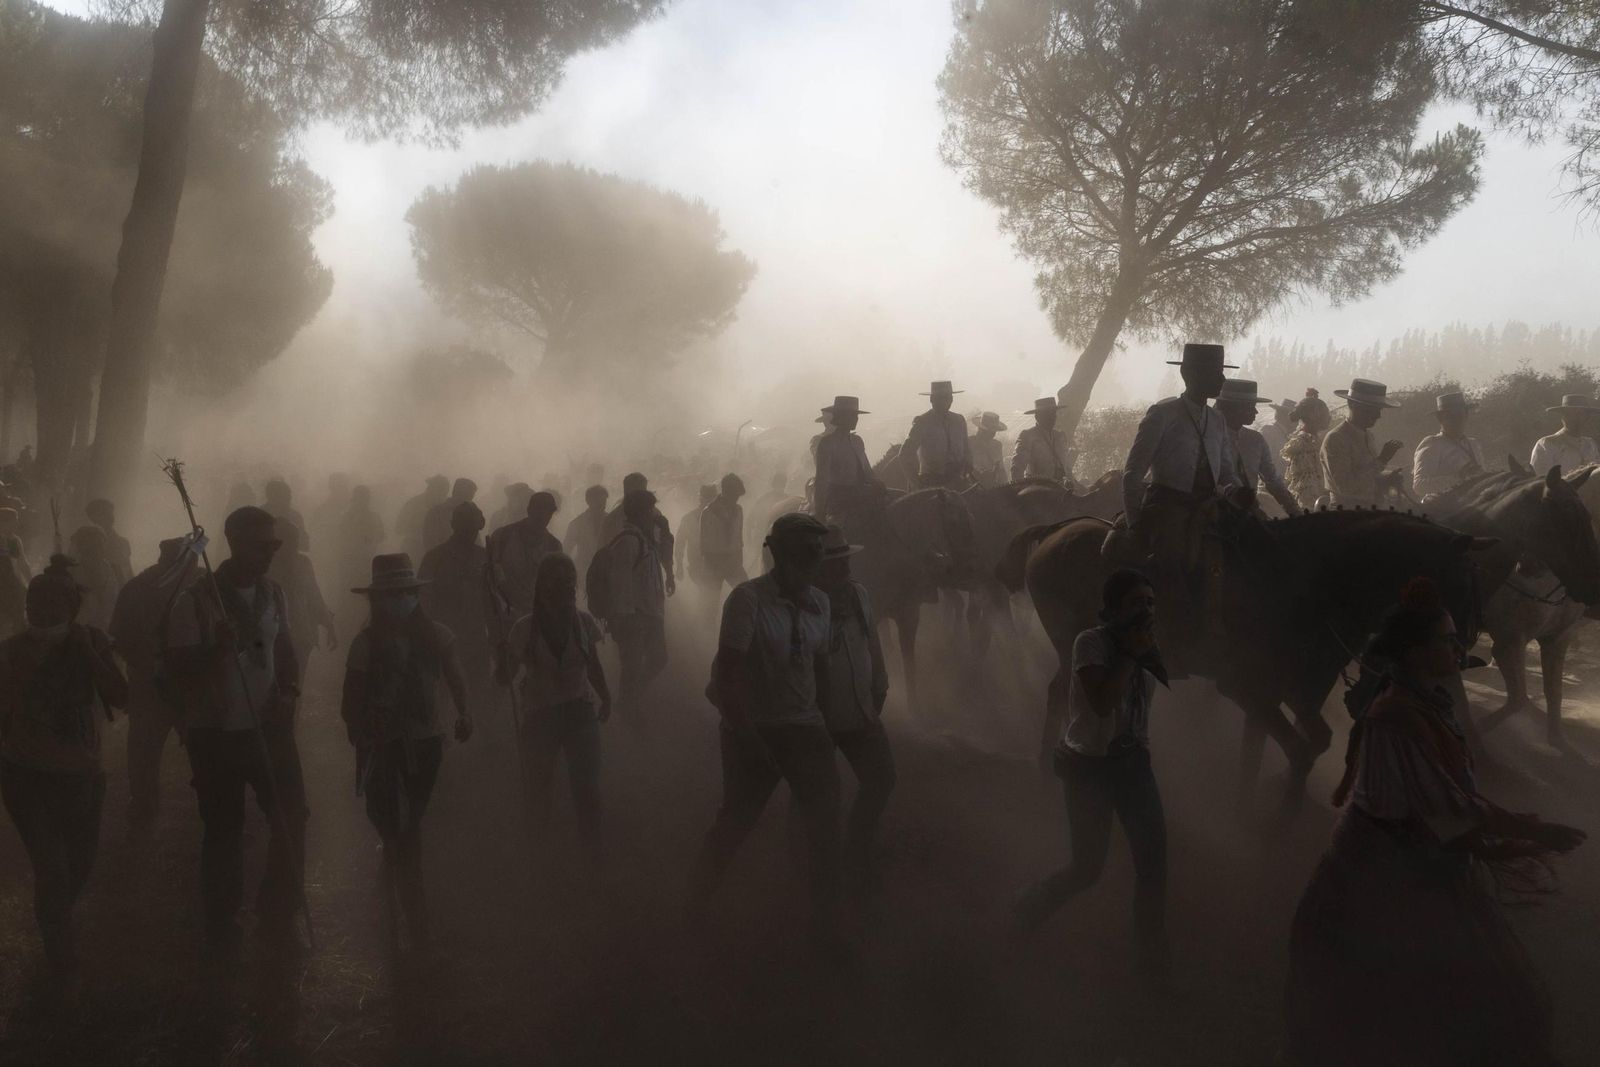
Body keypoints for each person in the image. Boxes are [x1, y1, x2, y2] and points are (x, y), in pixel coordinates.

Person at [1286, 578, 1585, 1066]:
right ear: (1416, 652)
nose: (1457, 645)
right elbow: (1452, 806)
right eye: (1446, 639)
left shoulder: (1418, 705)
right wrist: (1533, 829)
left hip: (1415, 863)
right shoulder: (1396, 718)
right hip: (1384, 876)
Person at [689, 514, 842, 949]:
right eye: (805, 557)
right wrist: (749, 739)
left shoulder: (820, 603)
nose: (814, 567)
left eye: (817, 557)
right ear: (782, 558)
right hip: (754, 729)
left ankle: (826, 925)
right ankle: (694, 907)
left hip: (806, 728)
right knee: (736, 822)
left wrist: (826, 728)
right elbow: (728, 676)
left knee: (826, 830)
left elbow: (820, 669)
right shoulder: (746, 601)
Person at [1012, 569, 1170, 983]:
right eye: (1137, 602)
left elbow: (1139, 707)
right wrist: (1133, 655)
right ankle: (1023, 915)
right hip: (1090, 769)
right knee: (1086, 869)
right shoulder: (1091, 643)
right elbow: (1101, 703)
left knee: (1153, 865)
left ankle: (1152, 964)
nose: (1147, 610)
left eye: (1151, 602)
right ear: (1114, 608)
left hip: (1133, 765)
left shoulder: (1145, 644)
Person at [165, 506, 306, 950]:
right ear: (235, 543)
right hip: (216, 733)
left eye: (274, 545)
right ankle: (222, 921)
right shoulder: (196, 601)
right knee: (225, 828)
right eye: (263, 546)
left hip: (269, 726)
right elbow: (177, 669)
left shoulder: (274, 593)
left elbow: (284, 650)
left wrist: (289, 691)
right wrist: (215, 650)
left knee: (291, 817)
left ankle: (278, 907)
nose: (270, 554)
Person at [0, 557, 128, 982]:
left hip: (82, 775)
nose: (41, 609)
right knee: (52, 867)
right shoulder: (10, 652)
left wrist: (89, 653)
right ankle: (58, 946)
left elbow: (120, 696)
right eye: (35, 600)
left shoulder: (91, 643)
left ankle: (55, 920)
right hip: (26, 776)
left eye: (54, 601)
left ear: (71, 607)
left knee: (80, 863)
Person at [341, 554, 473, 948]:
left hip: (426, 740)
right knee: (394, 824)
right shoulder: (364, 645)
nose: (398, 600)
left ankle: (406, 899)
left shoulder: (438, 636)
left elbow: (455, 678)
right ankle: (413, 918)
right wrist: (363, 732)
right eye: (391, 594)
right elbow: (350, 702)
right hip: (382, 746)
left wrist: (465, 714)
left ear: (415, 595)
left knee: (410, 821)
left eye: (405, 593)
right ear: (377, 599)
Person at [1120, 343, 1238, 662]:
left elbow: (1226, 471)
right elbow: (1132, 474)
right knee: (1170, 560)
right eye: (1214, 373)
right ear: (1189, 374)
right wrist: (1135, 525)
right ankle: (1172, 637)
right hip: (1168, 506)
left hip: (1209, 506)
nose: (1221, 381)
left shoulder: (1217, 420)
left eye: (1221, 373)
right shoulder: (1163, 413)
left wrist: (1237, 492)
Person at [499, 554, 611, 861]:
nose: (566, 588)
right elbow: (504, 678)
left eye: (569, 581)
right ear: (542, 586)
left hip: (579, 709)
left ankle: (592, 853)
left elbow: (593, 666)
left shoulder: (584, 622)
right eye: (558, 581)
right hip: (540, 715)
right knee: (539, 790)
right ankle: (539, 854)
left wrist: (606, 696)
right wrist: (502, 653)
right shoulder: (523, 629)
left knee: (587, 788)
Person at [815, 525, 893, 892]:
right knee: (815, 796)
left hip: (861, 710)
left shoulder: (859, 593)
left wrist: (880, 683)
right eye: (834, 562)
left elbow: (871, 642)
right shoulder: (805, 603)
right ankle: (812, 866)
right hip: (816, 717)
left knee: (881, 780)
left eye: (844, 559)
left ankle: (855, 849)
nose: (843, 567)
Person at [110, 536, 200, 825]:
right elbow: (121, 637)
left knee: (148, 750)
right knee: (153, 747)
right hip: (165, 683)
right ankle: (147, 805)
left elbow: (119, 638)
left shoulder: (201, 587)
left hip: (178, 683)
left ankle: (145, 804)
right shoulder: (201, 587)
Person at [596, 489, 670, 721]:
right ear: (641, 513)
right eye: (651, 510)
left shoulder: (643, 539)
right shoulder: (628, 542)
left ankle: (631, 699)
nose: (654, 515)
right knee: (632, 666)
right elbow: (620, 585)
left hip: (649, 613)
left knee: (658, 658)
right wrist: (625, 619)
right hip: (633, 616)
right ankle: (628, 709)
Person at [419, 501, 491, 698]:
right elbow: (423, 601)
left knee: (479, 696)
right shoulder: (434, 558)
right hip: (444, 637)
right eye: (466, 527)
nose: (470, 532)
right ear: (455, 526)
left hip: (477, 638)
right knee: (444, 695)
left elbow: (492, 601)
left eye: (473, 527)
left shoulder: (485, 557)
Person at [1216, 379, 1302, 516]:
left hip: (1250, 513)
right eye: (1250, 407)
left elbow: (1272, 479)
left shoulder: (1255, 440)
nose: (1256, 412)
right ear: (1233, 408)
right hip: (1217, 514)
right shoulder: (1211, 439)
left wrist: (1294, 510)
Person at [268, 524, 337, 685]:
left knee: (296, 684)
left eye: (295, 541)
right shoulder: (266, 565)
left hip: (301, 633)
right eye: (291, 541)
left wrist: (328, 624)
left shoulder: (303, 563)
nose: (294, 545)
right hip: (273, 635)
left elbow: (314, 595)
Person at [1321, 378, 1405, 508]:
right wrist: (1382, 460)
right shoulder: (1336, 439)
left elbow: (1367, 477)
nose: (1378, 415)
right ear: (1352, 405)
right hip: (1346, 515)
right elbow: (1346, 487)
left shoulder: (1368, 436)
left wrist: (1389, 477)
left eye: (1379, 410)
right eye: (1372, 409)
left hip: (1373, 510)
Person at [486, 491, 563, 625]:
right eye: (539, 511)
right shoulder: (503, 537)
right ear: (529, 510)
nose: (543, 516)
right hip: (503, 615)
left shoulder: (554, 546)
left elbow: (556, 586)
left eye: (548, 513)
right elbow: (490, 576)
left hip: (537, 617)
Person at [812, 396, 878, 526]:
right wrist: (820, 513)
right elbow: (821, 480)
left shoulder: (857, 441)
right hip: (839, 497)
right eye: (852, 416)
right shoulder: (827, 443)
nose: (856, 419)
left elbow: (867, 470)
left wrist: (877, 483)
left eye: (856, 415)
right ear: (840, 417)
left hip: (860, 492)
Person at [1410, 392, 1487, 500]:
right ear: (1441, 419)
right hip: (1444, 506)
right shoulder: (1432, 444)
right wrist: (1459, 477)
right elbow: (1419, 486)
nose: (1457, 420)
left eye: (1460, 415)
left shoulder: (1473, 444)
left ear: (1466, 416)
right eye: (1451, 416)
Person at [901, 380, 970, 488]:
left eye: (947, 397)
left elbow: (967, 450)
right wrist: (917, 482)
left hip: (958, 481)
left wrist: (968, 465)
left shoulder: (959, 420)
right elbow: (904, 455)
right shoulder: (922, 422)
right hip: (932, 482)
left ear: (951, 399)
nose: (944, 401)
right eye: (940, 398)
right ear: (932, 400)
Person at [1280, 389, 1333, 510]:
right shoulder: (1303, 443)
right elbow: (1306, 484)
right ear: (1314, 417)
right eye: (1324, 415)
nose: (1328, 418)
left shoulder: (1313, 440)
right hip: (1311, 503)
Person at [699, 473, 748, 603]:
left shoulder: (738, 510)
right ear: (726, 492)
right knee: (710, 606)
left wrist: (738, 562)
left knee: (748, 596)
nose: (737, 499)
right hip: (714, 564)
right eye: (735, 495)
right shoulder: (708, 512)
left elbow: (739, 540)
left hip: (733, 562)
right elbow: (704, 546)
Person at [1529, 394, 1600, 477]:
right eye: (1570, 414)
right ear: (1563, 417)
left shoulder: (1590, 444)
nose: (1576, 418)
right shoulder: (1546, 444)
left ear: (1586, 418)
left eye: (1580, 414)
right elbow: (1541, 481)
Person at [1011, 397, 1074, 485]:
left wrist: (1075, 485)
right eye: (1047, 414)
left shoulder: (1060, 436)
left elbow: (1067, 468)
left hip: (1061, 488)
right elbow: (1017, 469)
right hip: (1037, 491)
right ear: (1037, 417)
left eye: (1053, 413)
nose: (1052, 417)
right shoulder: (1028, 436)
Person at [338, 485, 385, 598]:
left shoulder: (374, 516)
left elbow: (381, 536)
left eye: (365, 499)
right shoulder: (347, 517)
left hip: (369, 561)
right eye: (361, 499)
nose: (364, 502)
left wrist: (372, 538)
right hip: (351, 562)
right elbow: (342, 537)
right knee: (351, 593)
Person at [67, 525, 117, 631]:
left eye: (101, 544)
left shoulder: (107, 568)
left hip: (103, 628)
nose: (101, 548)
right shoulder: (73, 571)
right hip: (80, 631)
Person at [563, 485, 610, 588]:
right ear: (588, 501)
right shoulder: (577, 523)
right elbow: (566, 549)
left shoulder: (611, 522)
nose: (602, 505)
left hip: (606, 573)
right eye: (599, 502)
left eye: (604, 502)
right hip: (583, 572)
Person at [397, 475, 449, 562]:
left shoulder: (447, 506)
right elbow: (399, 528)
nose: (443, 495)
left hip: (440, 552)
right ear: (430, 488)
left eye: (444, 492)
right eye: (441, 490)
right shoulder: (413, 504)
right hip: (414, 550)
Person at [422, 477, 477, 558]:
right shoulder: (436, 513)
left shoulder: (470, 514)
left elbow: (476, 540)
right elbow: (430, 542)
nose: (470, 501)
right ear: (460, 494)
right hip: (441, 562)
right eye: (469, 497)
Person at [85, 498, 133, 589]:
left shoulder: (123, 543)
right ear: (93, 518)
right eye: (104, 513)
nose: (110, 517)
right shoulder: (85, 543)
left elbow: (128, 571)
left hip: (121, 591)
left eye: (110, 513)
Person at [677, 484, 717, 591]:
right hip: (699, 565)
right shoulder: (689, 518)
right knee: (707, 593)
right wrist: (679, 566)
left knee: (709, 594)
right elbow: (680, 543)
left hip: (716, 565)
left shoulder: (719, 517)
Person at [263, 478, 307, 548]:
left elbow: (304, 545)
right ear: (270, 496)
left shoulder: (295, 516)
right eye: (285, 494)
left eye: (289, 494)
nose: (290, 498)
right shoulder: (259, 517)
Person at [970, 412, 1008, 488]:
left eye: (994, 431)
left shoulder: (997, 445)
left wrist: (1006, 486)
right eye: (989, 431)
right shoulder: (969, 442)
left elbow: (1001, 468)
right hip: (972, 485)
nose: (993, 434)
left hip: (992, 486)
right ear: (980, 429)